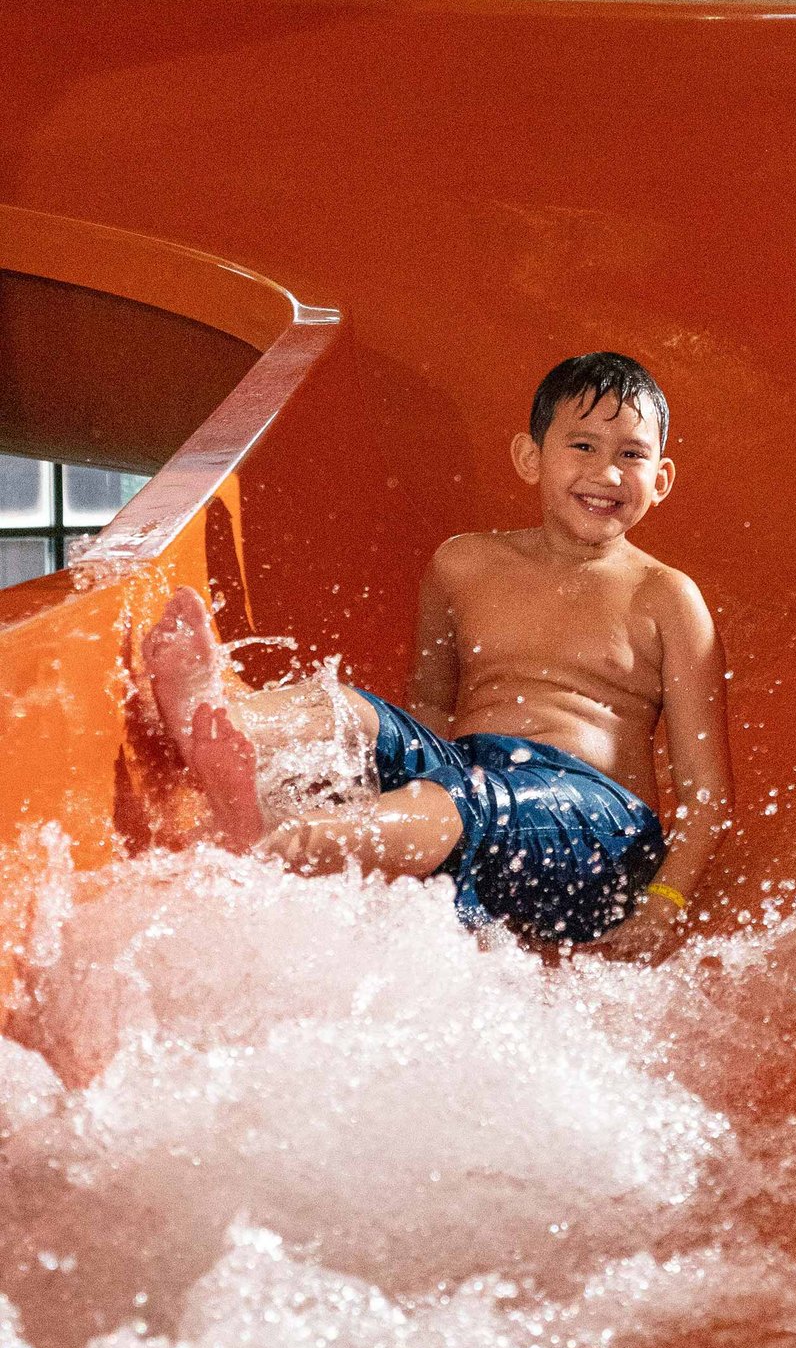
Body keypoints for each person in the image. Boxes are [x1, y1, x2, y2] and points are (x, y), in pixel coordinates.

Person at [142, 353, 733, 961]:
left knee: (458, 800)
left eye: (631, 455)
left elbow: (706, 789)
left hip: (597, 825)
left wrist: (662, 906)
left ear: (660, 479)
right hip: (470, 775)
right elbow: (427, 705)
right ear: (531, 458)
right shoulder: (463, 564)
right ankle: (216, 721)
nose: (606, 473)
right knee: (347, 708)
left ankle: (280, 848)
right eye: (583, 445)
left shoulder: (665, 597)